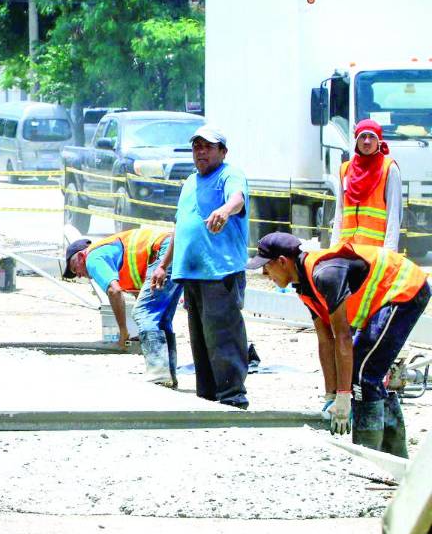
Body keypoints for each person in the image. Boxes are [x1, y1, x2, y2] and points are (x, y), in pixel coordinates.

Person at [250, 232, 428, 456]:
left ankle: (369, 455)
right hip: (388, 296)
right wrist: (331, 394)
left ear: (283, 262)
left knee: (364, 373)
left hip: (405, 288)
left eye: (266, 267)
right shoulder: (304, 286)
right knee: (362, 371)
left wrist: (345, 396)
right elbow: (326, 340)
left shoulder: (325, 275)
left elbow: (342, 336)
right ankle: (394, 454)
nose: (265, 274)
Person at [151, 125, 251, 408]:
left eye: (208, 146)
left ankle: (232, 398)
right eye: (197, 147)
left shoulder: (230, 174)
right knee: (202, 340)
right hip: (191, 272)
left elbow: (237, 198)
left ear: (222, 151)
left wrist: (224, 210)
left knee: (223, 336)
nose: (201, 152)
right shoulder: (190, 183)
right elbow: (180, 227)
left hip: (220, 271)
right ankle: (207, 398)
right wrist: (163, 265)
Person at [65, 226, 183, 388]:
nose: (78, 274)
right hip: (174, 248)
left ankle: (159, 376)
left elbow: (114, 291)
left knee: (143, 312)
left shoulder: (92, 258)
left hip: (163, 251)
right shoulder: (111, 254)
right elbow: (139, 294)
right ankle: (167, 375)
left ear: (80, 256)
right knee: (161, 319)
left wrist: (123, 332)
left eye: (74, 268)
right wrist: (141, 334)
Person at [332, 119, 402, 250]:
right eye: (362, 136)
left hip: (376, 252)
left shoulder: (389, 169)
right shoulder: (345, 169)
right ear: (356, 140)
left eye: (372, 137)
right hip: (347, 250)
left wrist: (389, 252)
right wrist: (333, 249)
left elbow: (394, 214)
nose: (367, 141)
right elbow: (339, 212)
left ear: (379, 141)